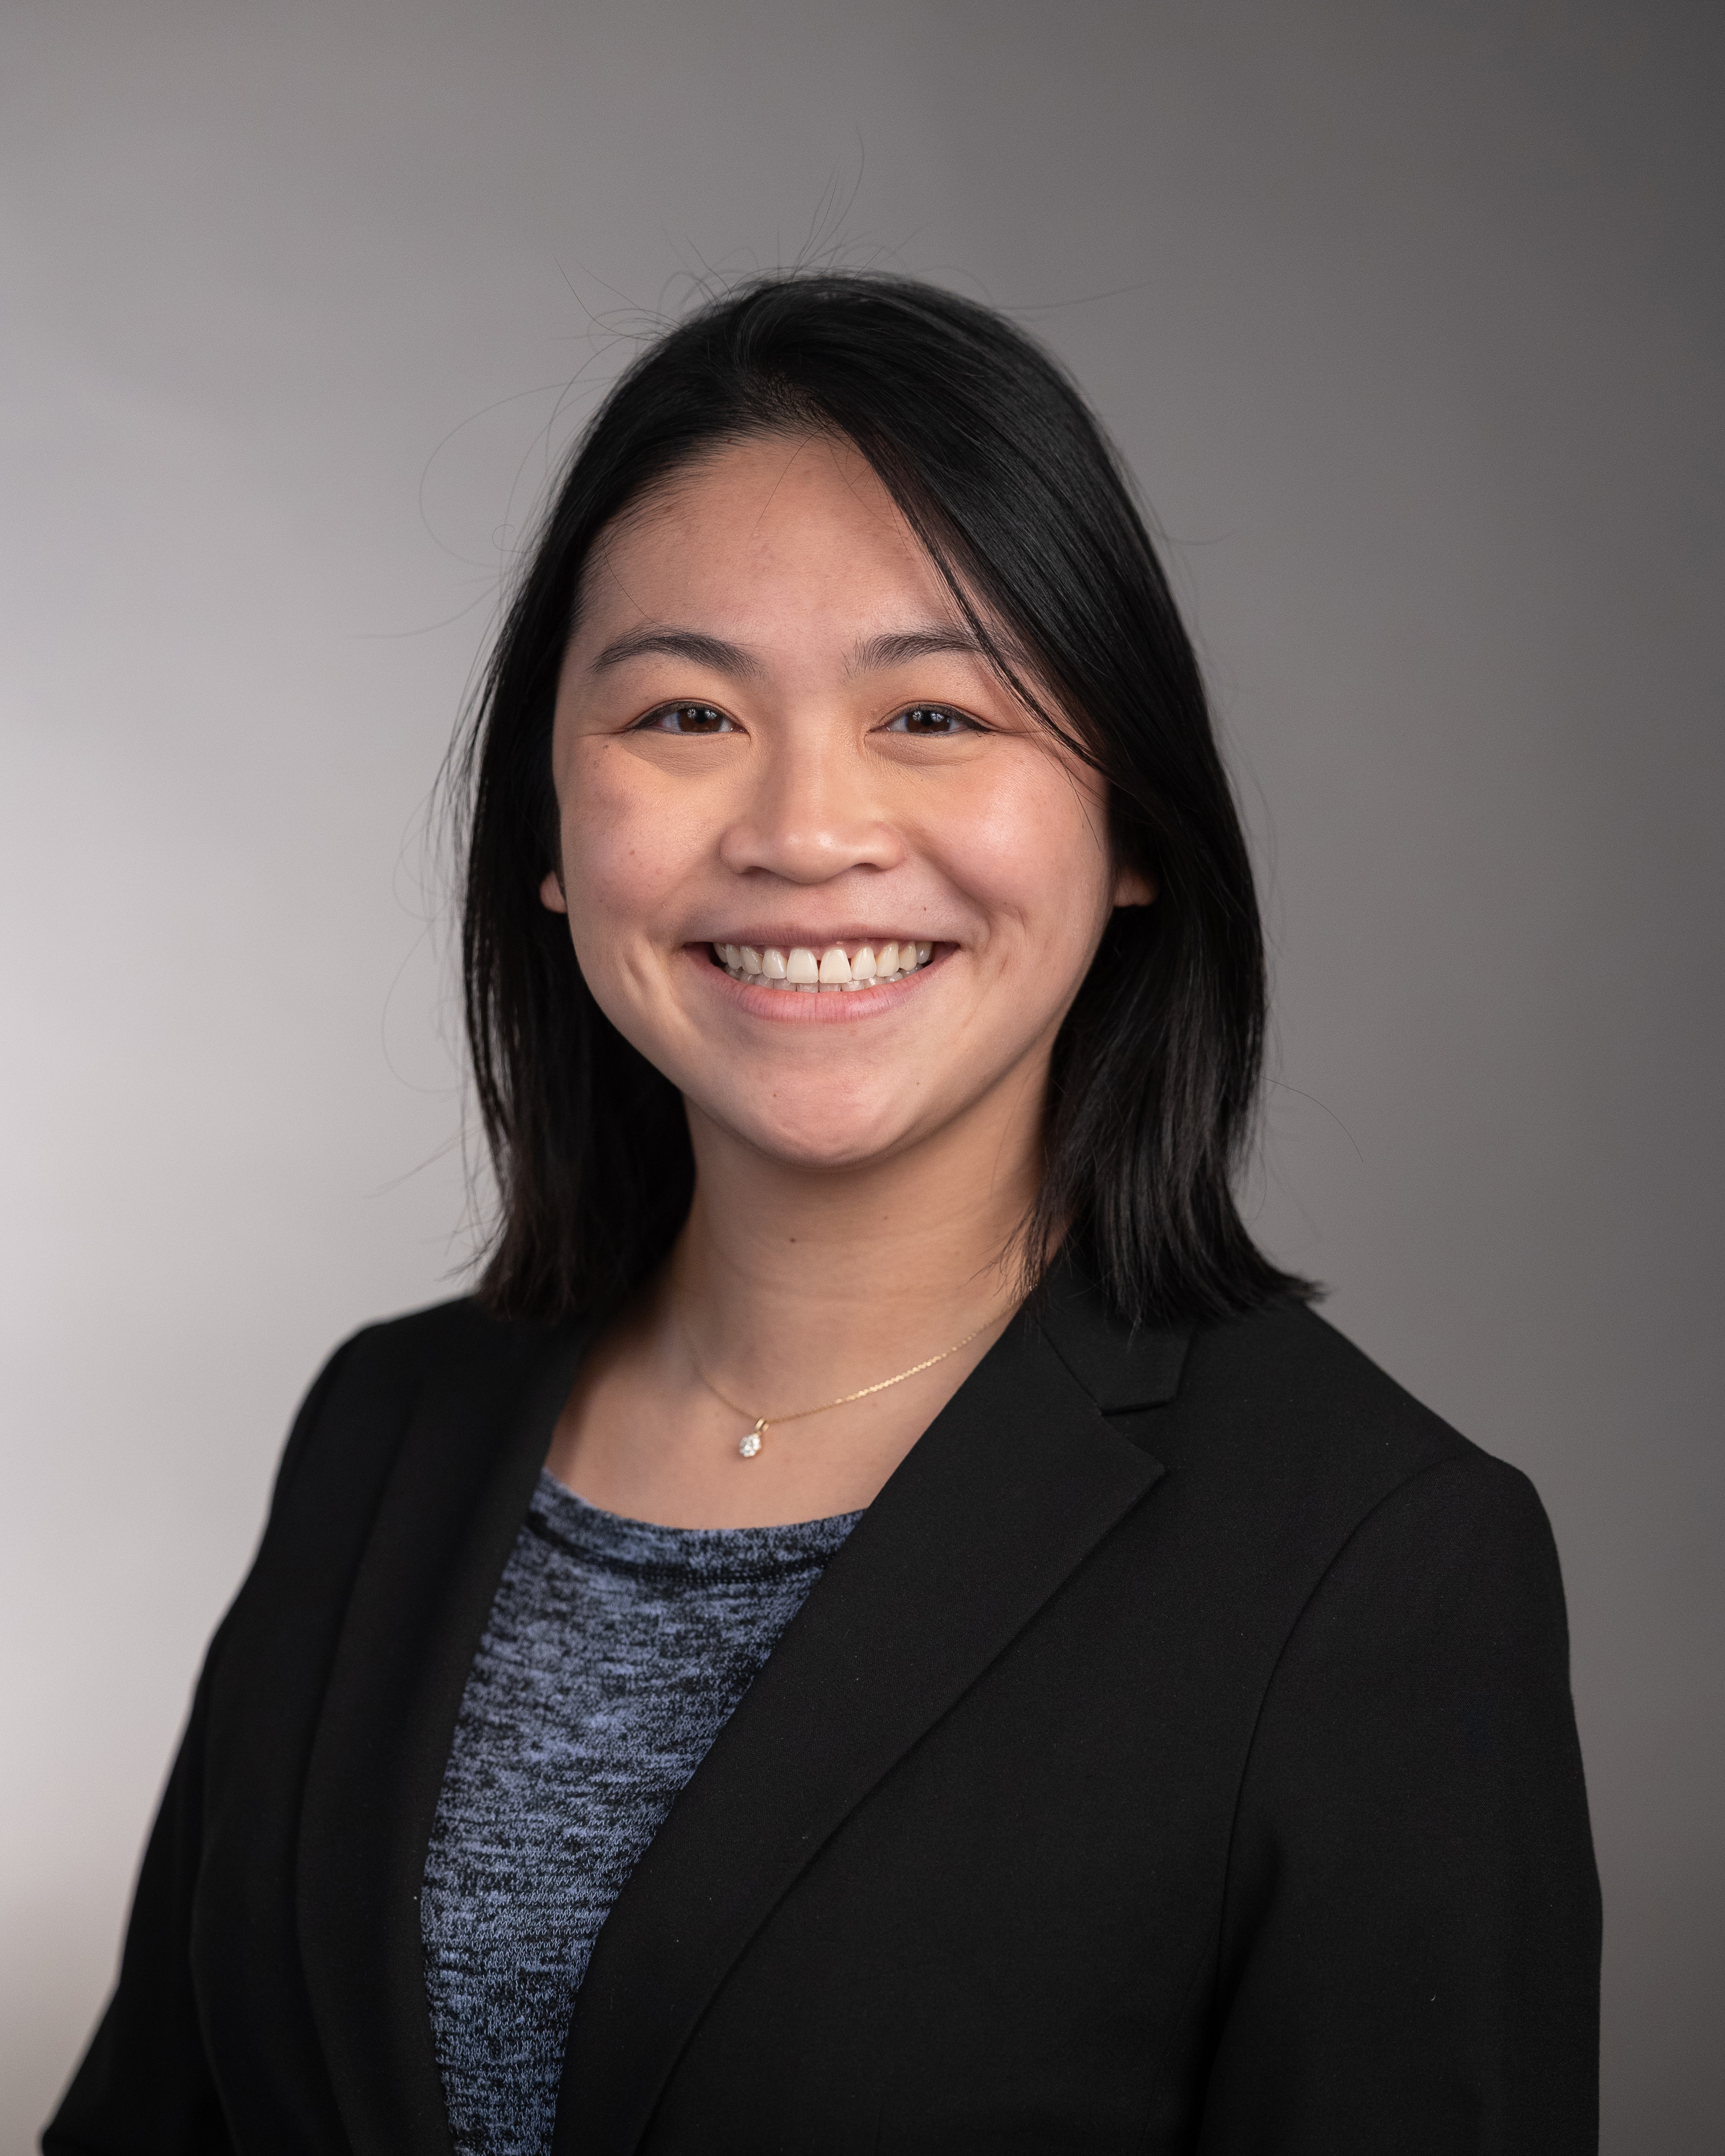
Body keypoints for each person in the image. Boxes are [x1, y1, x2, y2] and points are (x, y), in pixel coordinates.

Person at [45, 272, 1600, 2156]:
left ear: (1131, 834)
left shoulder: (1382, 1568)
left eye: (936, 711)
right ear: (549, 836)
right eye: (688, 711)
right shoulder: (386, 1431)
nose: (804, 826)